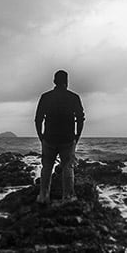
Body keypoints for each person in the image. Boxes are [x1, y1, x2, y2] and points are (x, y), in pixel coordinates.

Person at [34, 70, 85, 204]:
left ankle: (43, 196)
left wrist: (41, 136)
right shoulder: (73, 97)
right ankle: (68, 197)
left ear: (54, 81)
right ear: (66, 82)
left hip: (49, 137)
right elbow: (80, 119)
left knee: (46, 168)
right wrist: (76, 137)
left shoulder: (46, 97)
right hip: (68, 138)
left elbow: (38, 119)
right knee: (68, 168)